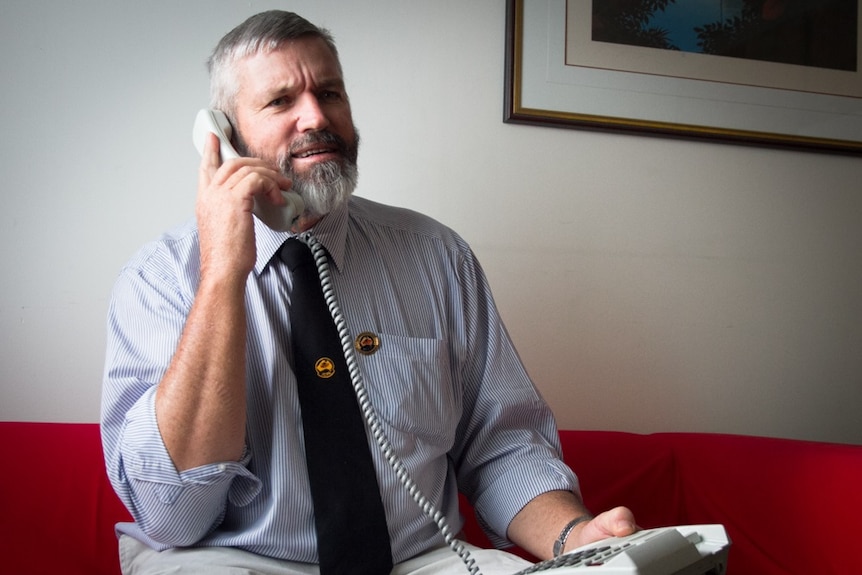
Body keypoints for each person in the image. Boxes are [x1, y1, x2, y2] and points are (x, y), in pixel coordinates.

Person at [101, 10, 637, 575]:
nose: (316, 115)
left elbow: (500, 444)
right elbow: (171, 517)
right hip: (236, 560)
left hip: (417, 561)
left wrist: (575, 537)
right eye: (281, 101)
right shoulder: (159, 279)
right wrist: (222, 276)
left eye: (329, 92)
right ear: (225, 136)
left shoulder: (436, 256)